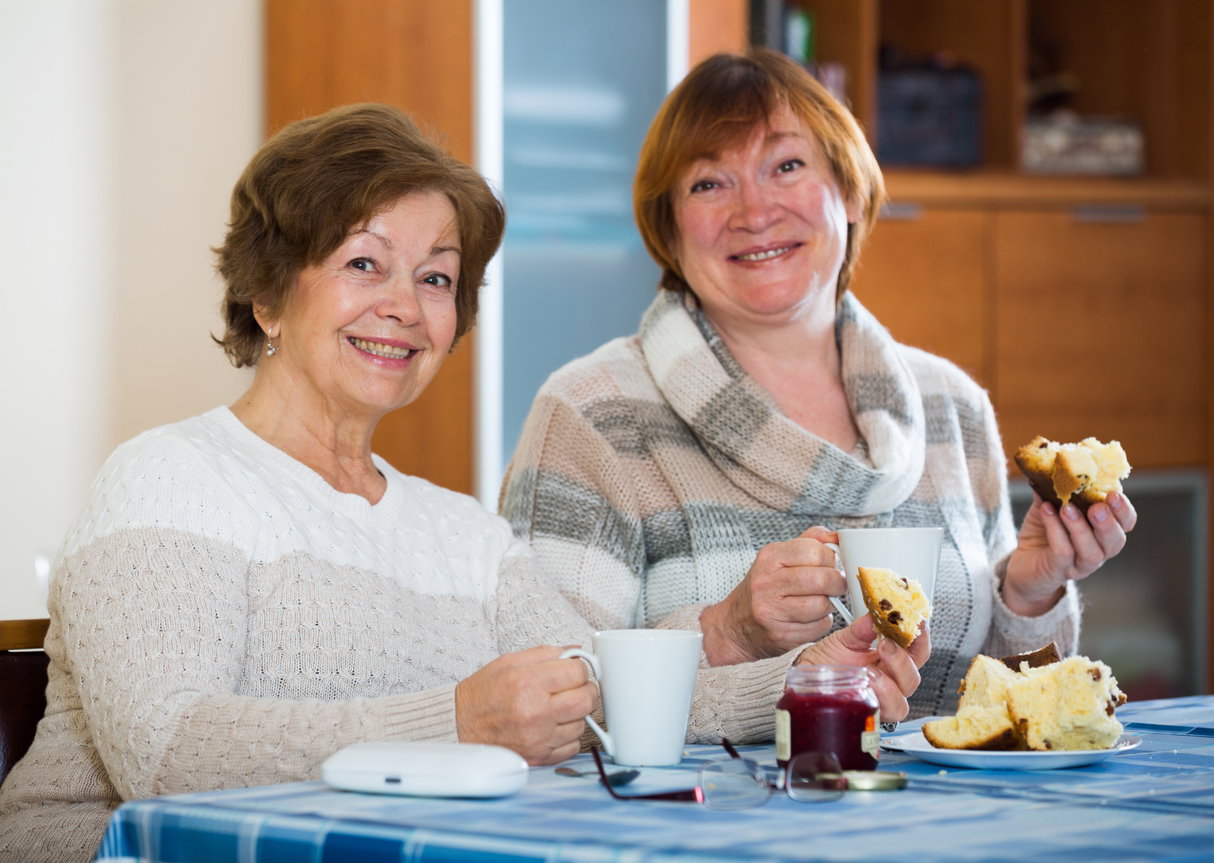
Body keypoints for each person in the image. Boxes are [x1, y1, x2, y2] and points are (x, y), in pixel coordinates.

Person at [0, 102, 924, 863]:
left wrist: (808, 681)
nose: (405, 306)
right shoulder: (168, 479)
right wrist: (455, 720)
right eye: (364, 262)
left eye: (437, 279)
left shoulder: (460, 534)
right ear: (268, 295)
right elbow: (168, 754)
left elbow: (598, 692)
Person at [500, 49, 1136, 719]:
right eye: (708, 184)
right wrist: (727, 631)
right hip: (697, 823)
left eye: (787, 166)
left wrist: (1027, 596)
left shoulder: (951, 407)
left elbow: (1000, 713)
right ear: (668, 231)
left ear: (852, 192)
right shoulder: (593, 414)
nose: (755, 210)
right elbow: (544, 699)